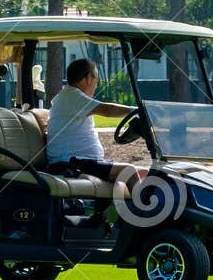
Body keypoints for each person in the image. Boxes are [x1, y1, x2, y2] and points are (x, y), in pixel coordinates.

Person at [44, 57, 145, 196]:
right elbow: (107, 110)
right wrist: (139, 110)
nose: (97, 83)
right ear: (88, 78)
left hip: (82, 161)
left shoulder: (72, 98)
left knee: (144, 172)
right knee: (130, 172)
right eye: (96, 78)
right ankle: (146, 214)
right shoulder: (71, 96)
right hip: (71, 163)